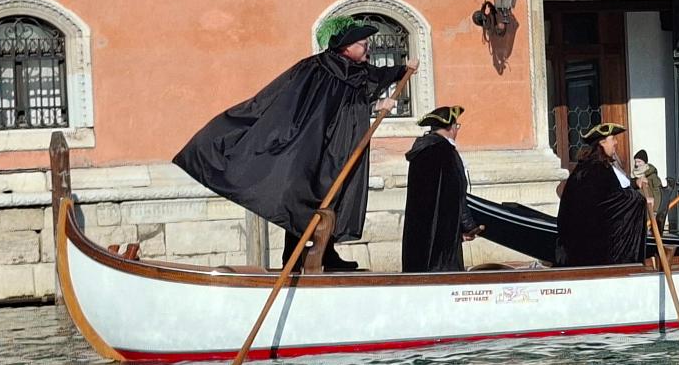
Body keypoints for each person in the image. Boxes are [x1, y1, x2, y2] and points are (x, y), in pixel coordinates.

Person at [174, 19, 413, 272]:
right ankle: (294, 257)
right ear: (346, 47)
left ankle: (326, 253)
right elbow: (317, 108)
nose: (368, 49)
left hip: (338, 147)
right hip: (311, 145)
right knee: (304, 196)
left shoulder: (358, 71)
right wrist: (372, 106)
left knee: (332, 197)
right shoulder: (318, 68)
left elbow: (365, 90)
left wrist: (400, 73)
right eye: (363, 44)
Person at [555, 123, 650, 267]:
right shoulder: (598, 170)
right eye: (613, 139)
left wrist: (635, 185)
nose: (616, 142)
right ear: (602, 142)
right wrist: (640, 200)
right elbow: (614, 201)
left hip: (575, 247)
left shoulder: (589, 167)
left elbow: (610, 195)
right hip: (588, 250)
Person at [401, 106, 478, 273]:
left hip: (419, 233)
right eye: (457, 126)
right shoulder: (446, 153)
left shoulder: (420, 152)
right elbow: (457, 194)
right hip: (442, 238)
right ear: (451, 128)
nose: (457, 130)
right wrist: (468, 226)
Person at [631, 149, 666, 225]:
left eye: (639, 162)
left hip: (649, 208)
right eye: (636, 162)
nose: (637, 164)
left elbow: (657, 193)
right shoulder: (634, 176)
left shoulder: (652, 176)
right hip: (639, 208)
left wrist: (655, 210)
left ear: (645, 162)